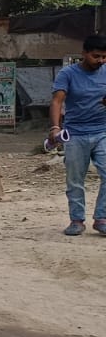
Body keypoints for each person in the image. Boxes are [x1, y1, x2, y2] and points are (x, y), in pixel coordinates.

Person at [48, 33, 106, 237]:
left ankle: (102, 218)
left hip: (102, 131)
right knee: (75, 179)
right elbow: (57, 101)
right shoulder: (68, 74)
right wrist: (55, 128)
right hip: (75, 134)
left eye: (104, 57)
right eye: (96, 56)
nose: (100, 61)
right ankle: (77, 220)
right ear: (84, 53)